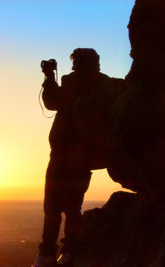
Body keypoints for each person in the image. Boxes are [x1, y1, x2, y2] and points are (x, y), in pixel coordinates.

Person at [33, 48, 123, 267]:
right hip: (85, 158)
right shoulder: (107, 85)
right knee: (73, 207)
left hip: (62, 155)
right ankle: (70, 252)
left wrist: (48, 78)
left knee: (52, 207)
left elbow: (51, 102)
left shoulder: (72, 83)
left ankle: (46, 255)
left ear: (76, 63)